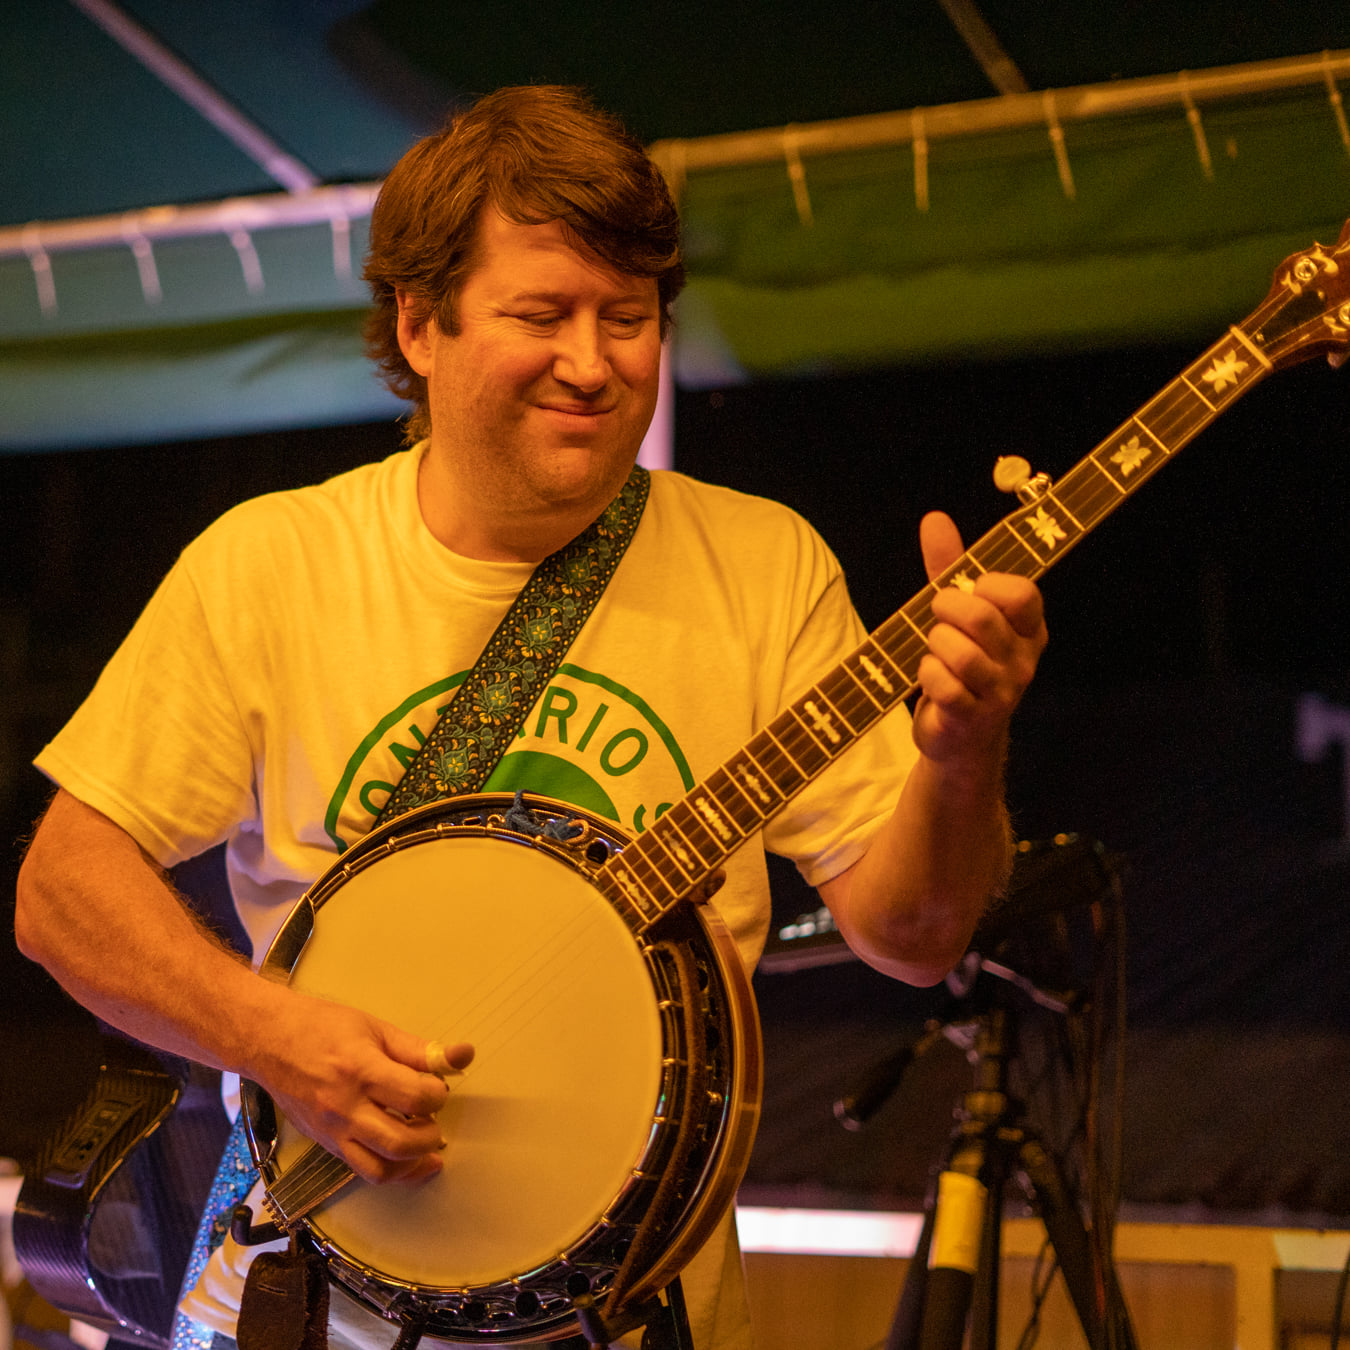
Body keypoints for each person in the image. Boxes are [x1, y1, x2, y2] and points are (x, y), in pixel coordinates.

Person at [15, 86, 1046, 1350]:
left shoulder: (763, 564)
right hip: (310, 1300)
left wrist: (962, 751)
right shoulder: (274, 565)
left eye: (630, 317)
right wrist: (278, 1041)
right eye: (541, 314)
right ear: (421, 322)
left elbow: (918, 939)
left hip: (637, 1315)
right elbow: (61, 888)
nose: (594, 360)